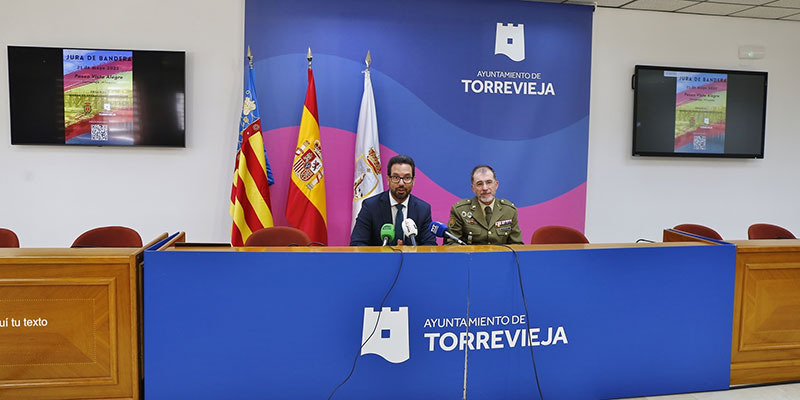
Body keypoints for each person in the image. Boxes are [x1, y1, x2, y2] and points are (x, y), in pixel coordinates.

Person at [350, 155, 437, 246]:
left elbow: (430, 245)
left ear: (413, 181)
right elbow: (357, 244)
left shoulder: (423, 209)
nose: (401, 183)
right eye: (396, 177)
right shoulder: (370, 206)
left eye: (407, 178)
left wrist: (409, 252)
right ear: (388, 180)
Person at [447, 165, 523, 245]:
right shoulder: (460, 211)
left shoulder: (509, 211)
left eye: (489, 182)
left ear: (496, 185)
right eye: (480, 184)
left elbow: (517, 245)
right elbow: (451, 244)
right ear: (473, 188)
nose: (485, 188)